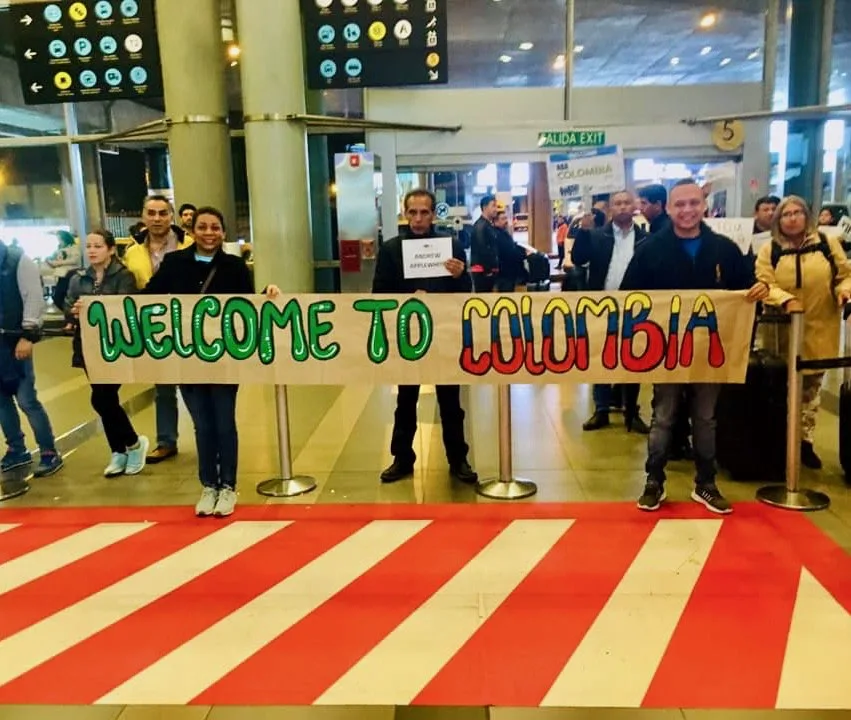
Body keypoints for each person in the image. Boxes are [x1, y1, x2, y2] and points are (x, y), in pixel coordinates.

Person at [621, 179, 768, 514]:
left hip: (710, 354)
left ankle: (706, 483)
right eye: (680, 204)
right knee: (663, 417)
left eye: (693, 203)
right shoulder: (650, 250)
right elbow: (629, 297)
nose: (687, 210)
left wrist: (757, 290)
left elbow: (746, 289)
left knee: (705, 418)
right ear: (669, 208)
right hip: (666, 353)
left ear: (704, 206)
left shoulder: (725, 249)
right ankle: (654, 481)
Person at [143, 206, 278, 517]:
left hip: (224, 360)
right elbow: (146, 298)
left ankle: (227, 485)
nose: (208, 233)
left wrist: (267, 294)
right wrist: (95, 306)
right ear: (192, 230)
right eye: (202, 227)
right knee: (202, 425)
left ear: (223, 232)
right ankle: (208, 485)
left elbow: (247, 305)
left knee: (224, 422)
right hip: (187, 359)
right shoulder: (175, 263)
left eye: (215, 227)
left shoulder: (234, 266)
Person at [373, 189, 478, 485]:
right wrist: (409, 296)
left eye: (424, 212)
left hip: (444, 335)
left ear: (433, 214)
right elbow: (379, 293)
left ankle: (458, 458)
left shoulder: (451, 246)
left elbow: (465, 295)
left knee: (451, 402)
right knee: (406, 400)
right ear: (405, 214)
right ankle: (402, 458)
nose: (418, 218)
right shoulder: (391, 250)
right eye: (413, 212)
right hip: (408, 336)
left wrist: (460, 275)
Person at [756, 195, 851, 469]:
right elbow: (764, 283)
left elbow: (844, 274)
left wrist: (844, 291)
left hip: (819, 326)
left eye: (797, 212)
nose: (792, 218)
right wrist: (785, 299)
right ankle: (780, 439)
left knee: (810, 389)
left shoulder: (826, 243)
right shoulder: (770, 249)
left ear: (807, 216)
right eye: (786, 214)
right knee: (780, 387)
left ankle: (805, 441)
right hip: (781, 330)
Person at [65, 230, 149, 477]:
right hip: (87, 346)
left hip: (115, 346)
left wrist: (96, 308)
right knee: (104, 398)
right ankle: (119, 450)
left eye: (98, 246)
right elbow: (68, 305)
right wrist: (74, 311)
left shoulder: (123, 276)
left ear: (111, 249)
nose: (92, 250)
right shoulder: (78, 278)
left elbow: (125, 307)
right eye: (89, 246)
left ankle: (133, 443)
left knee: (102, 398)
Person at [571, 190, 650, 434]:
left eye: (627, 202)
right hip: (602, 306)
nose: (623, 207)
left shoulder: (645, 239)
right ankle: (601, 409)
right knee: (600, 356)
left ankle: (631, 411)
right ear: (610, 209)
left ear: (634, 206)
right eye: (618, 203)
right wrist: (583, 232)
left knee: (634, 358)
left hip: (635, 308)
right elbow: (578, 259)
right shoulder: (596, 236)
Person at [124, 195, 192, 464]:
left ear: (171, 216)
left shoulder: (189, 245)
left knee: (194, 386)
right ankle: (166, 441)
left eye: (163, 213)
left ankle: (207, 438)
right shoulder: (132, 252)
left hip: (187, 324)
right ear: (143, 216)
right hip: (154, 328)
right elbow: (127, 290)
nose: (157, 218)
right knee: (163, 387)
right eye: (151, 213)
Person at [0, 240, 63, 477]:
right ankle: (16, 449)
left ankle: (49, 451)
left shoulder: (18, 260)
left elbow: (33, 298)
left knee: (27, 400)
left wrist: (28, 334)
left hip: (15, 340)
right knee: (2, 402)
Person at [470, 195, 500, 292]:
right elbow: (482, 248)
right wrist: (488, 271)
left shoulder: (488, 225)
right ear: (485, 207)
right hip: (482, 272)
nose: (496, 209)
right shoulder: (480, 226)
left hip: (488, 271)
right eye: (493, 206)